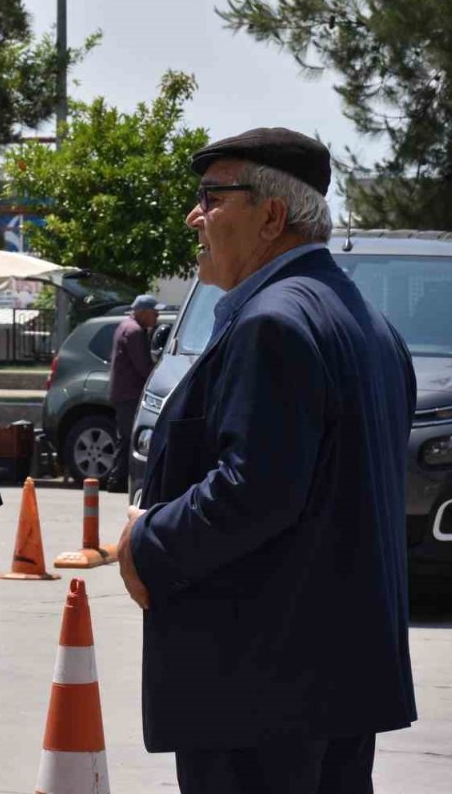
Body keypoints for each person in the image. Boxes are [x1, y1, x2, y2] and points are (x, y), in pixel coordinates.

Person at [115, 128, 417, 793]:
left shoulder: (273, 323)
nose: (194, 217)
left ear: (272, 216)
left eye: (212, 197)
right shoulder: (368, 324)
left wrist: (147, 542)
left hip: (261, 687)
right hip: (333, 685)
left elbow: (254, 490)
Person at [106, 293, 161, 492]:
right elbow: (143, 366)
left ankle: (117, 479)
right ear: (143, 312)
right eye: (154, 313)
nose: (157, 317)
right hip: (130, 394)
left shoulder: (126, 326)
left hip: (123, 392)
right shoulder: (135, 331)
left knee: (125, 437)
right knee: (129, 438)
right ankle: (117, 480)